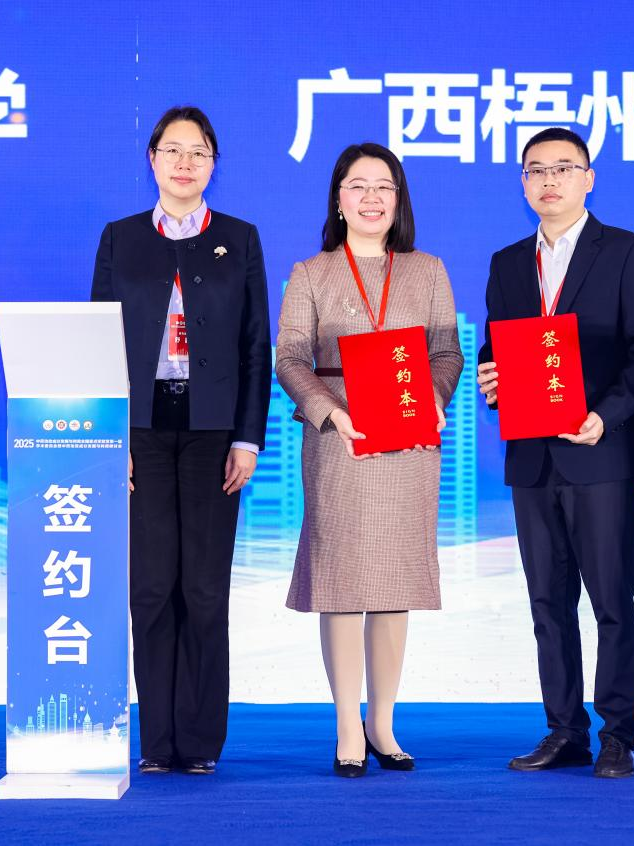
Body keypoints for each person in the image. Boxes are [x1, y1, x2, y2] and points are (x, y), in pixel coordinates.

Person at [476, 127, 634, 779]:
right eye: (536, 169)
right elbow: (496, 346)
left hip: (599, 453)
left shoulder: (627, 251)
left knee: (611, 601)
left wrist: (605, 417)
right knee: (547, 604)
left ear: (589, 178)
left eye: (563, 168)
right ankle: (564, 729)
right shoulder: (507, 262)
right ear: (523, 183)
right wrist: (491, 378)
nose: (549, 180)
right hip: (532, 458)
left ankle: (618, 735)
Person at [91, 105, 271, 776]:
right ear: (152, 159)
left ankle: (198, 743)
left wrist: (247, 439)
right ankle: (157, 742)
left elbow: (256, 346)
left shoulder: (239, 239)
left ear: (213, 164)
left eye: (198, 152)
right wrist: (109, 438)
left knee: (203, 588)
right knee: (149, 588)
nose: (185, 162)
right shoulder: (120, 238)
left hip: (212, 432)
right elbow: (97, 342)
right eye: (173, 150)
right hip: (139, 431)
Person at [277, 142, 463, 778]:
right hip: (340, 439)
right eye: (358, 186)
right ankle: (346, 725)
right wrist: (329, 412)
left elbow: (447, 352)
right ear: (339, 199)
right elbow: (290, 358)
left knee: (392, 583)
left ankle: (382, 723)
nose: (371, 198)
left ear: (399, 198)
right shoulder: (311, 272)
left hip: (408, 440)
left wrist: (433, 398)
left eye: (384, 186)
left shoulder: (428, 270)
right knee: (341, 582)